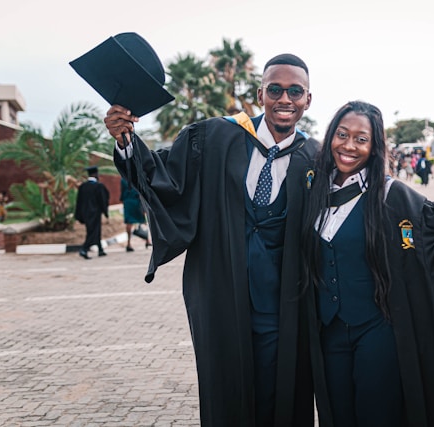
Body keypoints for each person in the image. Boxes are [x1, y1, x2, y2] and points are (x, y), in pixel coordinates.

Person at [104, 54, 322, 427]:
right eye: (275, 89)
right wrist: (126, 139)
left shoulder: (316, 157)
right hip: (223, 294)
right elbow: (166, 180)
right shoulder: (216, 136)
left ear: (307, 99)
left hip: (285, 304)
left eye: (294, 91)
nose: (284, 99)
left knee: (280, 391)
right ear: (260, 94)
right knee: (226, 390)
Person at [301, 101, 434, 426]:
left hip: (377, 334)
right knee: (338, 416)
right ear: (331, 137)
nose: (349, 145)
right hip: (328, 336)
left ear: (374, 147)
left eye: (361, 138)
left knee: (378, 416)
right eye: (342, 135)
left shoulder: (396, 200)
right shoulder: (312, 193)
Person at [74, 166, 110, 259]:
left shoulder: (83, 186)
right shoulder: (98, 186)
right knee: (93, 232)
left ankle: (100, 249)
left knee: (94, 230)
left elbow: (79, 201)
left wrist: (78, 215)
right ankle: (84, 249)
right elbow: (103, 200)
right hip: (95, 213)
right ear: (95, 174)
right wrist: (105, 212)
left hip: (85, 213)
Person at [120, 177, 150, 251]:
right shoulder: (136, 177)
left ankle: (129, 243)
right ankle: (147, 240)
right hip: (137, 202)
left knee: (129, 222)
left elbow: (122, 192)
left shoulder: (123, 179)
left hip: (127, 202)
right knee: (143, 221)